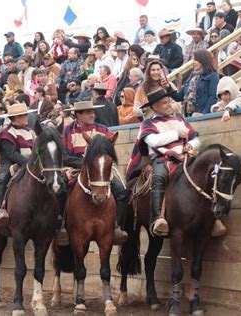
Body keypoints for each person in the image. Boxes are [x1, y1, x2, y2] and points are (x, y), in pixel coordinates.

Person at [128, 89, 226, 237]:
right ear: (154, 107)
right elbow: (153, 141)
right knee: (159, 177)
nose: (169, 105)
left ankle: (213, 218)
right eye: (164, 103)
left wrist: (191, 145)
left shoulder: (179, 120)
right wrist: (176, 134)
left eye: (169, 101)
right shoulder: (147, 124)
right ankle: (157, 218)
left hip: (185, 157)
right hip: (161, 159)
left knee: (207, 174)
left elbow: (195, 138)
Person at [62, 100, 128, 244]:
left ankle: (116, 225)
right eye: (87, 112)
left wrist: (97, 164)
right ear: (77, 115)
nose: (92, 114)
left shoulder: (103, 130)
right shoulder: (68, 130)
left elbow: (110, 149)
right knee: (60, 187)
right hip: (76, 168)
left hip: (100, 170)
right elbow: (66, 156)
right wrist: (86, 163)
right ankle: (61, 226)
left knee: (122, 190)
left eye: (92, 111)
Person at [0, 103, 37, 227]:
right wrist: (28, 164)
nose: (27, 117)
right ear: (16, 118)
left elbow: (36, 151)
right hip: (10, 163)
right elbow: (12, 154)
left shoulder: (31, 132)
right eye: (24, 115)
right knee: (2, 179)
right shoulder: (6, 133)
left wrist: (35, 163)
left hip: (30, 163)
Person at [169, 50, 219, 116]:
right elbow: (178, 97)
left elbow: (213, 97)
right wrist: (167, 87)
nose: (193, 62)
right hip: (188, 116)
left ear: (203, 60)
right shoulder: (192, 77)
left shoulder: (213, 76)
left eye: (196, 60)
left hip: (202, 116)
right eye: (193, 60)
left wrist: (203, 114)